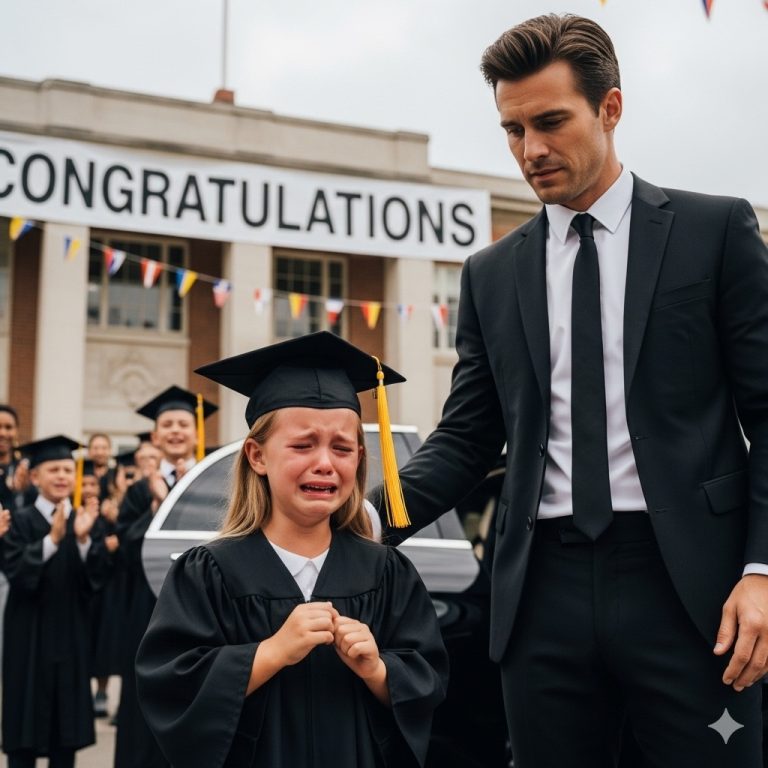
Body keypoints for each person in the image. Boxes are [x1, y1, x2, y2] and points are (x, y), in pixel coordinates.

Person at [370, 13, 768, 768]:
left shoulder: (713, 234)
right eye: (513, 130)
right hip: (538, 591)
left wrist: (762, 572)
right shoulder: (490, 274)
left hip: (693, 589)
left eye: (551, 122)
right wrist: (369, 516)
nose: (532, 151)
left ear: (610, 108)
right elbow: (466, 438)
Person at [135, 332, 448, 768]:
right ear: (257, 456)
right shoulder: (209, 572)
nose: (325, 461)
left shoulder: (387, 572)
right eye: (303, 444)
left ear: (359, 458)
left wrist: (379, 669)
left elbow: (428, 679)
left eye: (342, 448)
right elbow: (169, 684)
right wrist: (270, 652)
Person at [113, 386, 217, 768]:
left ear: (196, 432)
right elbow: (123, 549)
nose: (175, 431)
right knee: (146, 696)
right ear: (155, 436)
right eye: (167, 425)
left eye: (183, 424)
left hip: (203, 608)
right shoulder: (140, 490)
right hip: (148, 609)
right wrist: (157, 504)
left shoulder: (214, 483)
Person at [2, 436, 106, 768]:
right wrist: (52, 540)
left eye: (67, 469)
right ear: (34, 477)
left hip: (69, 634)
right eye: (54, 469)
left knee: (66, 734)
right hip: (28, 635)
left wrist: (85, 539)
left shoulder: (82, 520)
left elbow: (95, 579)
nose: (63, 476)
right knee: (24, 735)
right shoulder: (19, 522)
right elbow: (16, 572)